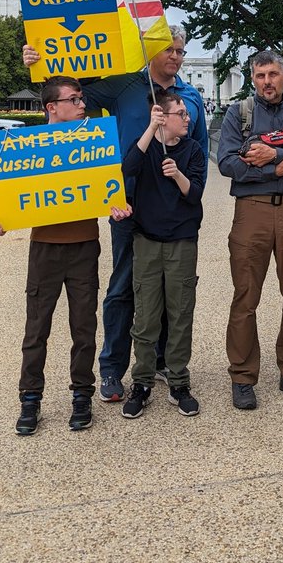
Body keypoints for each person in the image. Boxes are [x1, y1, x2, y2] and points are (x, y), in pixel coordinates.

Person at [23, 26, 208, 404]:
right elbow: (70, 98)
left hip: (170, 212)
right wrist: (41, 64)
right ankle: (112, 368)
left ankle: (159, 361)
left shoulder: (189, 98)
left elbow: (198, 154)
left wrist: (189, 202)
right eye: (168, 49)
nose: (175, 56)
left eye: (180, 51)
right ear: (151, 50)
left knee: (167, 289)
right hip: (124, 203)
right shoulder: (124, 85)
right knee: (123, 285)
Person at [0, 75, 131, 435]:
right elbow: (11, 193)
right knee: (36, 328)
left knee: (84, 328)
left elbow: (106, 189)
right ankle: (30, 398)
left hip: (83, 246)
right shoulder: (26, 146)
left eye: (82, 99)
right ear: (53, 107)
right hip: (45, 249)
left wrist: (116, 207)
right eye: (75, 99)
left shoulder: (94, 140)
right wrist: (0, 221)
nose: (83, 104)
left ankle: (82, 394)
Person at [217, 50, 283, 409]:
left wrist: (273, 155)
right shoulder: (240, 113)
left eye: (273, 74)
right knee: (246, 295)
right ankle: (243, 376)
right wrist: (274, 171)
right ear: (253, 78)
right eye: (260, 75)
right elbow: (229, 162)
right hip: (253, 211)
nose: (267, 81)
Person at [119, 92, 205, 419]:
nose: (187, 119)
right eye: (180, 114)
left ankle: (179, 381)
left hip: (182, 240)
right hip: (147, 241)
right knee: (146, 315)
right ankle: (141, 383)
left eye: (186, 113)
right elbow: (129, 167)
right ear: (162, 116)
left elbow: (194, 194)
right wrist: (149, 130)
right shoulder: (145, 146)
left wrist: (177, 174)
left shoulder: (193, 150)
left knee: (180, 312)